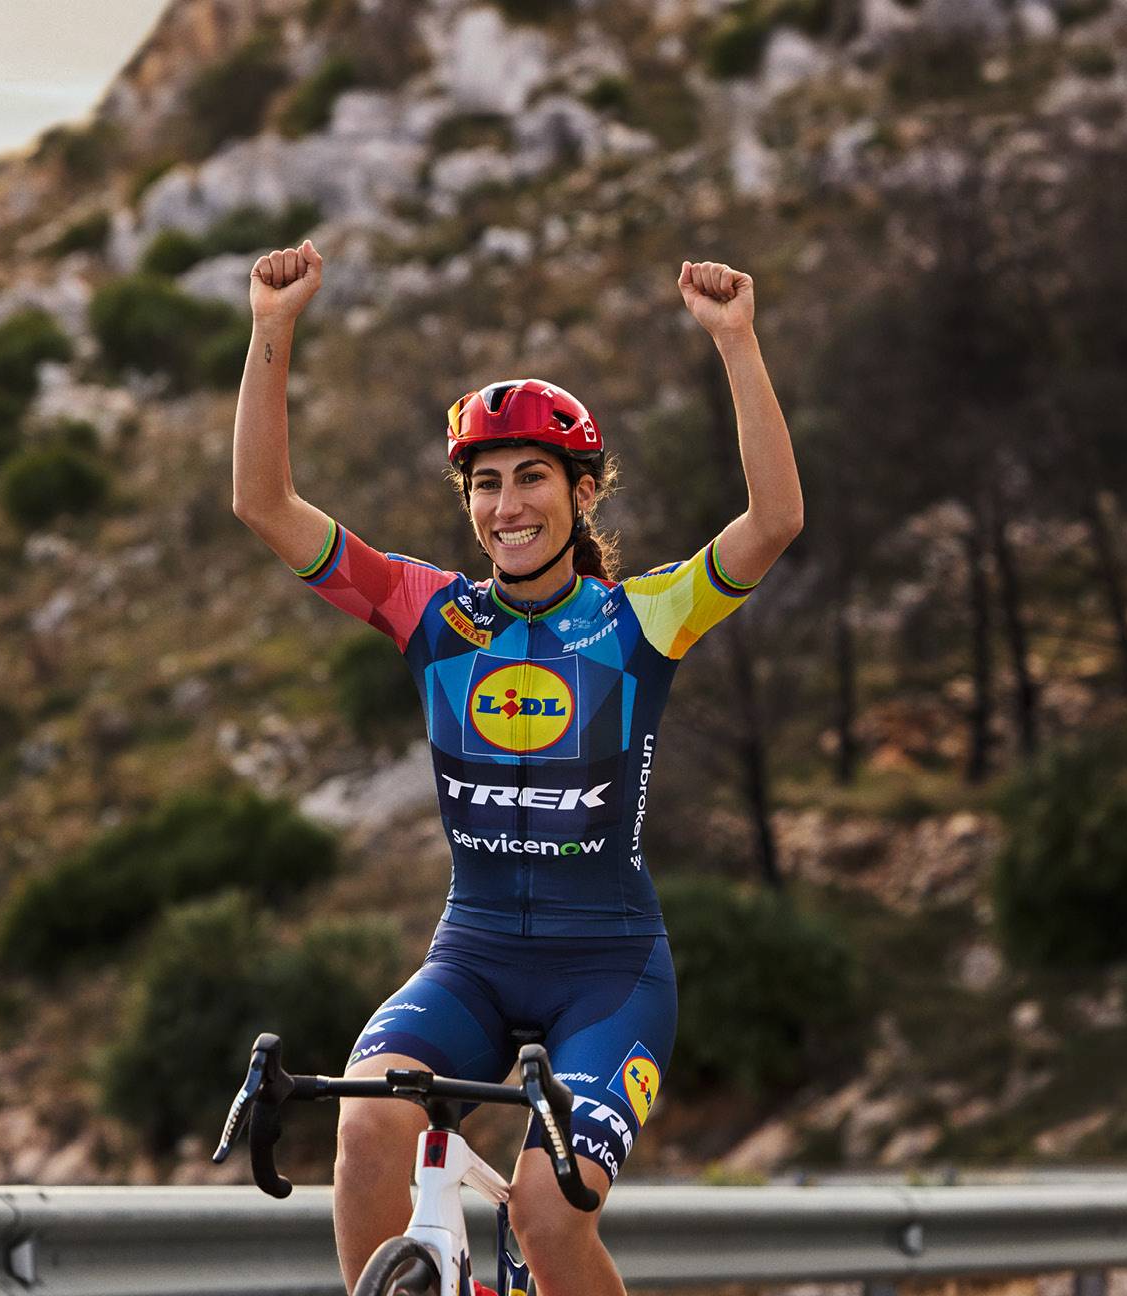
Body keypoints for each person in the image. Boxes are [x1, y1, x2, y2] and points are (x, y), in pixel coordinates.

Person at [232, 238, 802, 1296]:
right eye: (485, 484)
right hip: (474, 958)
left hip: (610, 973)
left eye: (532, 477)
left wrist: (736, 342)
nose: (507, 506)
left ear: (582, 492)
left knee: (547, 1214)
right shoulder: (430, 612)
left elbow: (774, 522)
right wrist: (273, 332)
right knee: (365, 1128)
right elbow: (266, 508)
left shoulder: (644, 620)